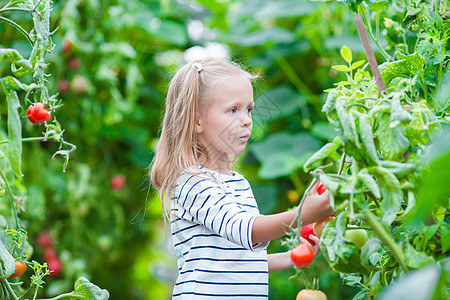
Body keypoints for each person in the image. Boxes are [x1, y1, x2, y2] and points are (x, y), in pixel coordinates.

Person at [150, 58, 334, 299]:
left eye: (249, 109)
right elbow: (246, 229)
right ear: (197, 120)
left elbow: (240, 260)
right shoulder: (191, 182)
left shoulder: (238, 183)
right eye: (233, 110)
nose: (247, 120)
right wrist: (303, 214)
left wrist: (291, 257)